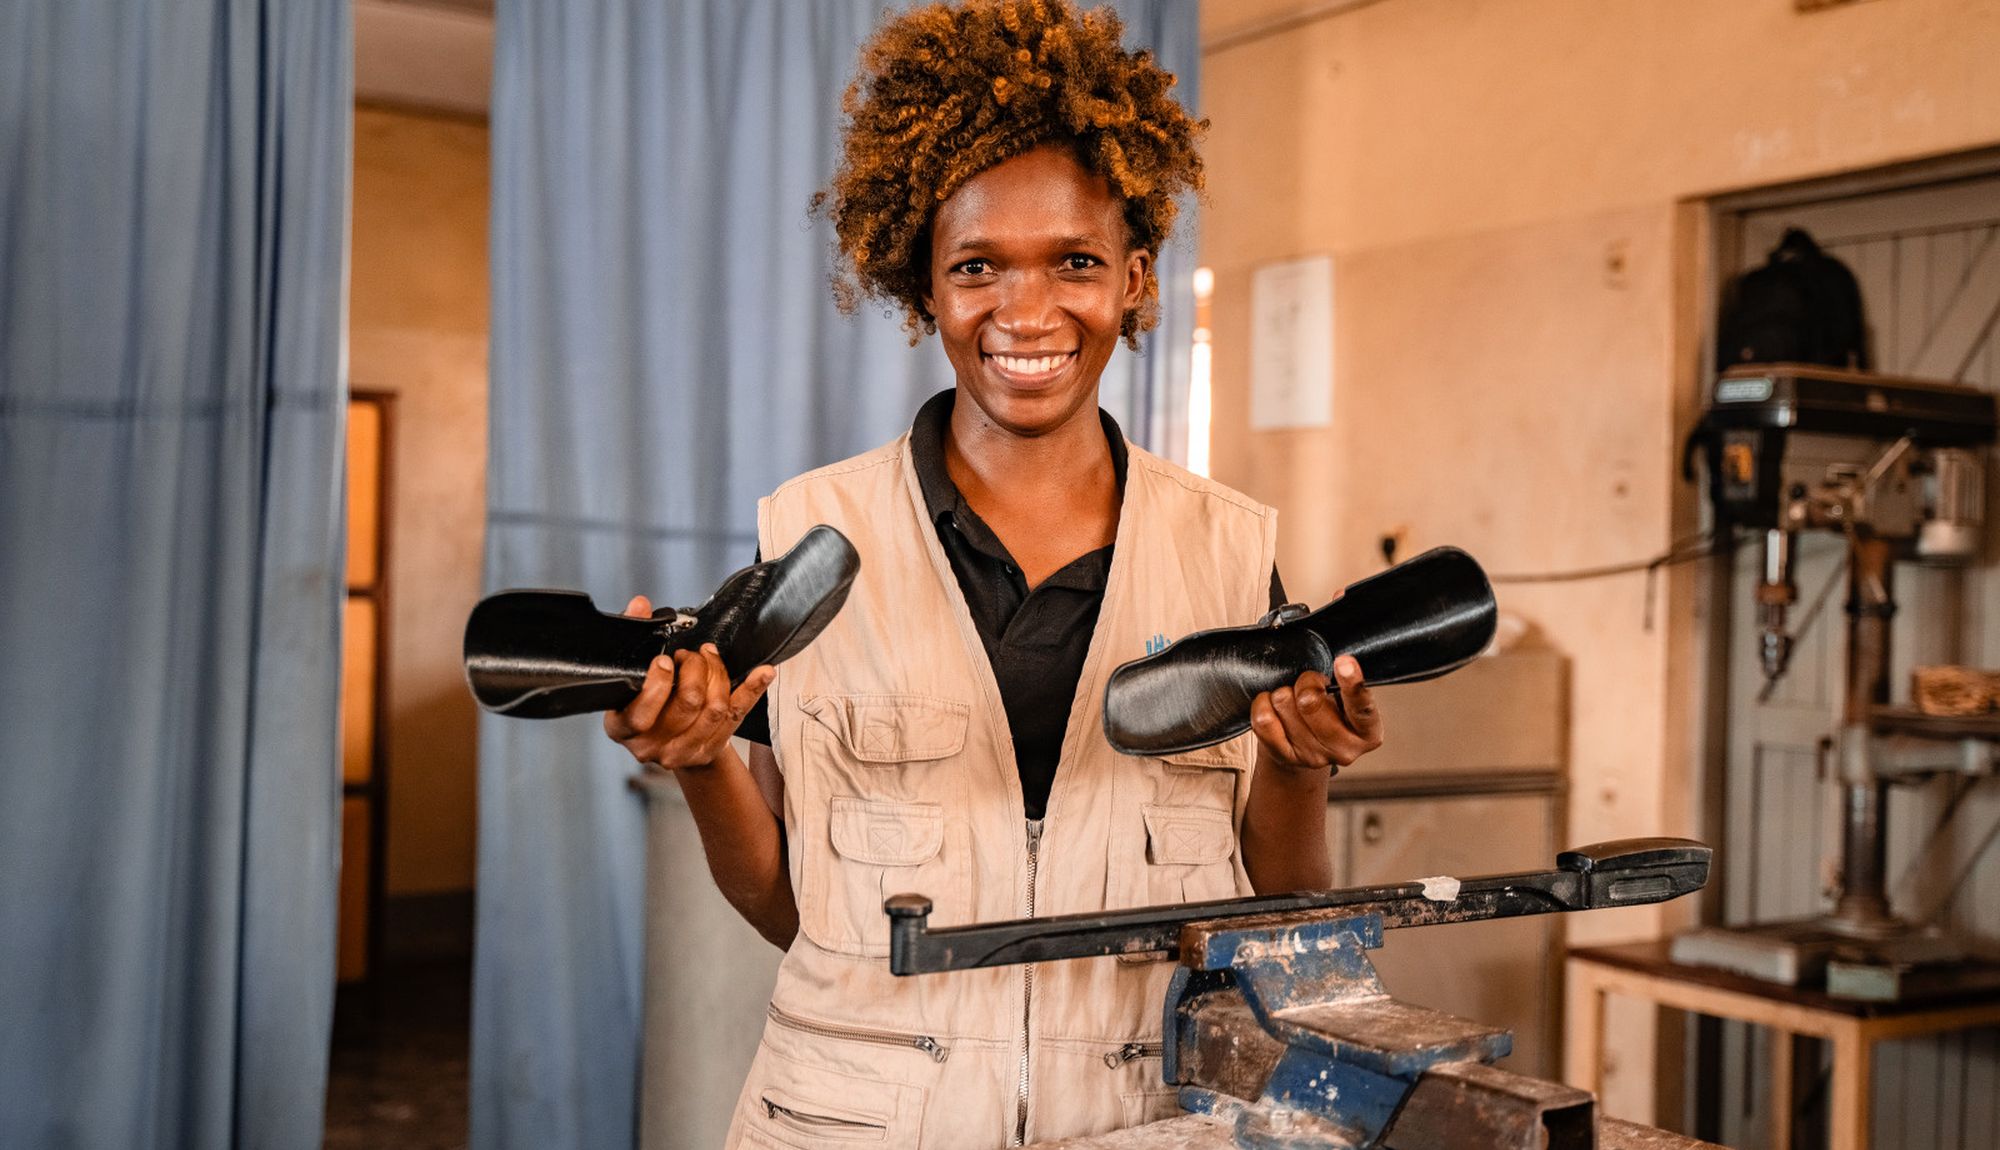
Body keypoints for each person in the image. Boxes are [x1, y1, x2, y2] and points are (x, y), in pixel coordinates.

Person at [601, 2, 1383, 1144]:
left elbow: (1271, 903)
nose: (1025, 311)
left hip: (1134, 1114)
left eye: (1072, 261)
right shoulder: (812, 532)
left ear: (1133, 276)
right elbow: (791, 909)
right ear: (925, 284)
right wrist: (701, 758)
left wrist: (1298, 768)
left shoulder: (1223, 550)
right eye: (977, 266)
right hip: (852, 1118)